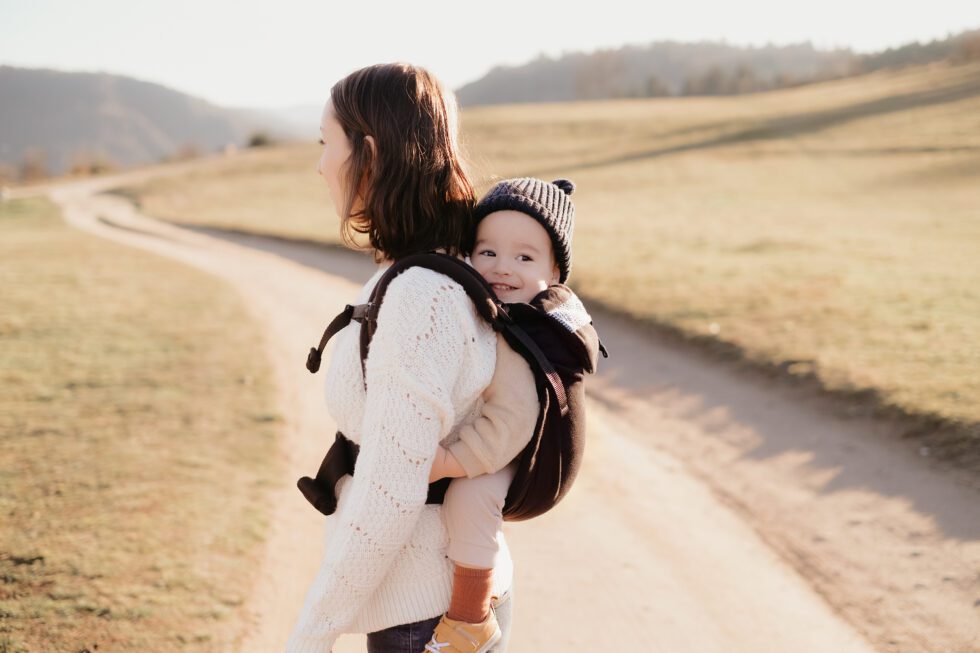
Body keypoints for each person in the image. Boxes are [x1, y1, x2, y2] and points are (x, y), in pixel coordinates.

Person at [286, 63, 514, 653]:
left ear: (368, 153)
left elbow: (390, 493)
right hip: (435, 607)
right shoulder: (431, 268)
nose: (318, 165)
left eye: (323, 143)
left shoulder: (421, 297)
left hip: (426, 620)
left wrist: (312, 633)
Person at [424, 177, 578, 653]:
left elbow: (509, 422)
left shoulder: (522, 330)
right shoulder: (493, 307)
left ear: (553, 274)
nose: (501, 268)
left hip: (526, 457)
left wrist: (447, 463)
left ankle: (471, 620)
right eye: (486, 252)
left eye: (524, 258)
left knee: (470, 499)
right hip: (510, 442)